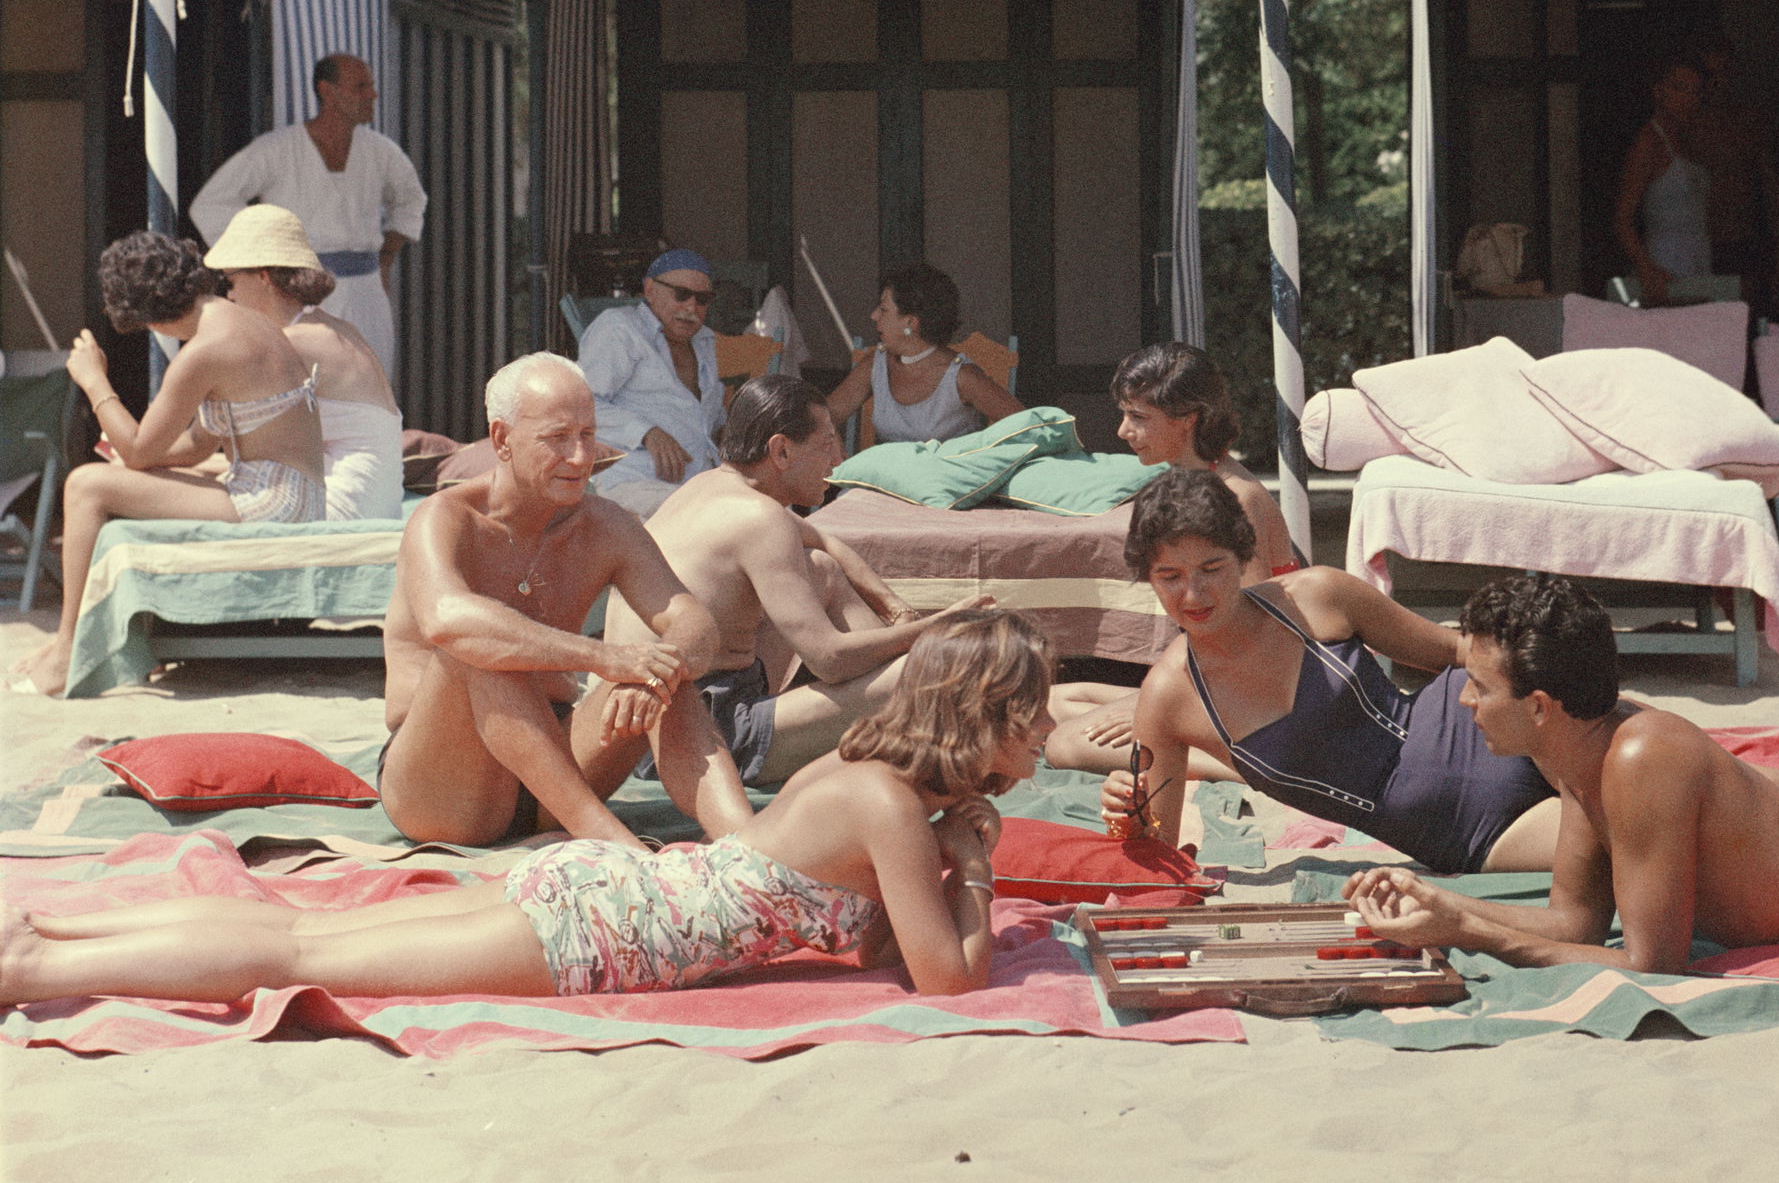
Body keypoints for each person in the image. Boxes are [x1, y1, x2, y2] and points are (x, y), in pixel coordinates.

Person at [0, 613, 1058, 1009]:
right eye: (1036, 714)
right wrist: (974, 863)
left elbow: (879, 946)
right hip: (610, 931)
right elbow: (945, 978)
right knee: (295, 955)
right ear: (988, 714)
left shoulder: (863, 775)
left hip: (618, 894)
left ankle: (50, 931)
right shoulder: (889, 805)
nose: (1046, 733)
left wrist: (951, 845)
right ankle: (35, 967)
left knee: (302, 934)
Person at [1344, 574, 1779, 973]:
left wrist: (1473, 932)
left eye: (1479, 687)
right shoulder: (1579, 756)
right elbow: (1574, 924)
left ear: (1539, 707)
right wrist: (1436, 904)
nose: (1462, 703)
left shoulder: (1640, 757)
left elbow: (1651, 964)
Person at [1087, 470, 1560, 870]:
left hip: (1495, 726)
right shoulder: (1167, 699)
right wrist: (1124, 818)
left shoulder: (1317, 595)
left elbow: (1460, 654)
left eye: (1212, 568)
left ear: (1243, 557)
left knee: (1627, 759)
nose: (1193, 595)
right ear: (1147, 577)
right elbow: (1155, 856)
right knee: (1620, 830)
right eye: (1170, 577)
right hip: (1467, 829)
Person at [377, 352, 740, 851]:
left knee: (667, 678)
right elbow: (447, 621)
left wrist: (658, 673)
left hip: (556, 775)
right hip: (445, 789)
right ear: (503, 439)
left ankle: (750, 846)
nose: (579, 457)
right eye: (557, 438)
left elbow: (696, 625)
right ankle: (621, 848)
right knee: (480, 648)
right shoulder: (446, 519)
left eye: (588, 436)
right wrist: (605, 657)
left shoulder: (606, 525)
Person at [575, 374, 992, 801]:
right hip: (698, 737)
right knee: (930, 669)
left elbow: (828, 544)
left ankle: (895, 707)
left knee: (821, 569)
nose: (838, 459)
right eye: (827, 443)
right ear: (781, 450)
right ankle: (911, 710)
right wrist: (934, 629)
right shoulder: (760, 519)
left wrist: (898, 611)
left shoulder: (708, 486)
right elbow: (827, 660)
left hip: (663, 719)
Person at [14, 233, 325, 697]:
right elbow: (200, 444)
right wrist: (134, 461)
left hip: (274, 499)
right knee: (114, 478)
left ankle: (67, 648)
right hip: (286, 488)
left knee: (84, 486)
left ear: (140, 317)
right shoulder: (238, 322)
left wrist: (94, 380)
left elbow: (140, 447)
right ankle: (74, 639)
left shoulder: (203, 351)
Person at [1041, 344, 1297, 772]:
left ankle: (1249, 769)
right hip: (1212, 678)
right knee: (1052, 700)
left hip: (1257, 696)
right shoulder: (1192, 478)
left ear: (1187, 419)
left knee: (1063, 744)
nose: (1123, 431)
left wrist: (1157, 707)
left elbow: (1253, 641)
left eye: (1139, 418)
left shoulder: (1239, 497)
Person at [189, 53, 425, 376]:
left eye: (371, 86)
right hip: (297, 290)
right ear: (327, 92)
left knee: (372, 380)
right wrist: (258, 259)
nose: (372, 95)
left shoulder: (381, 151)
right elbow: (210, 203)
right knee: (301, 384)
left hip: (366, 291)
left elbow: (412, 201)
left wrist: (386, 256)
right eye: (360, 86)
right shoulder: (277, 149)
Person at [204, 205, 402, 521]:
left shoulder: (291, 343)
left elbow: (222, 445)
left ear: (263, 276)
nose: (229, 295)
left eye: (230, 280)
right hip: (371, 504)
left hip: (342, 508)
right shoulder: (331, 329)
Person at [576, 248, 729, 519]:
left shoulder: (705, 340)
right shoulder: (620, 328)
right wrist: (648, 433)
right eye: (681, 295)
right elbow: (580, 403)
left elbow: (707, 422)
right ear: (650, 290)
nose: (691, 307)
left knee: (771, 508)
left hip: (694, 485)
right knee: (719, 518)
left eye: (703, 299)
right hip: (629, 482)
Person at [823, 263, 1016, 445]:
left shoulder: (962, 377)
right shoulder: (876, 364)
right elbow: (823, 420)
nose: (874, 316)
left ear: (911, 322)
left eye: (883, 309)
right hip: (888, 479)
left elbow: (1030, 428)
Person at [1684, 34, 1779, 312]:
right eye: (1711, 75)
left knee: (1742, 324)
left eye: (1725, 73)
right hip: (1696, 245)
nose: (1719, 82)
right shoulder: (1682, 126)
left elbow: (1773, 191)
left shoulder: (1749, 123)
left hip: (1743, 241)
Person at [1613, 54, 1712, 306]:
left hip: (1700, 266)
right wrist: (1645, 267)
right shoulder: (1649, 143)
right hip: (1665, 268)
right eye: (1679, 88)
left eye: (1695, 91)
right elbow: (1622, 218)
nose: (1688, 98)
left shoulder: (1692, 140)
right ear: (1659, 91)